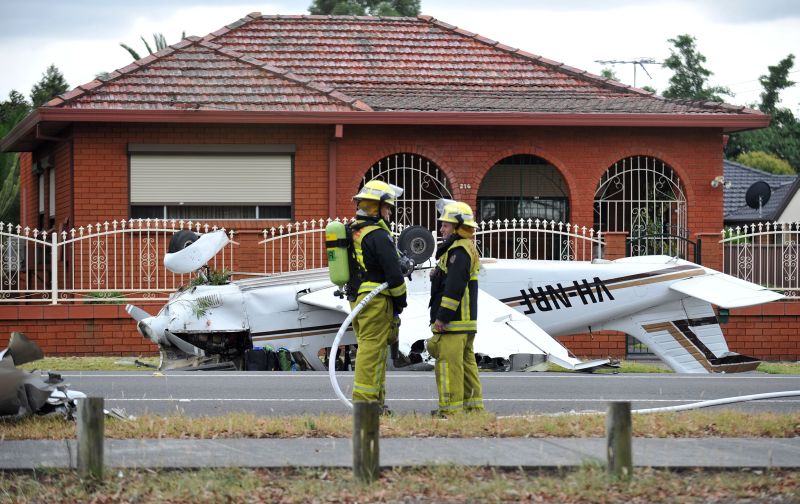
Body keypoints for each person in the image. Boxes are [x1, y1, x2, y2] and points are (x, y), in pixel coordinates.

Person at [346, 180, 407, 413]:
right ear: (376, 207)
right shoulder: (379, 235)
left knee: (375, 351)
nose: (390, 211)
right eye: (387, 207)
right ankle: (365, 406)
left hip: (358, 300)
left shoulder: (354, 231)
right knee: (371, 353)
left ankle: (376, 404)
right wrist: (401, 303)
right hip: (376, 301)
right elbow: (394, 275)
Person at [427, 199, 484, 416]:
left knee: (449, 368)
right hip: (465, 324)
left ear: (458, 228)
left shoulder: (458, 253)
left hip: (454, 323)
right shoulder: (464, 249)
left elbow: (453, 289)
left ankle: (450, 412)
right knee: (467, 368)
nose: (441, 229)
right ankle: (473, 410)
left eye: (446, 225)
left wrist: (442, 318)